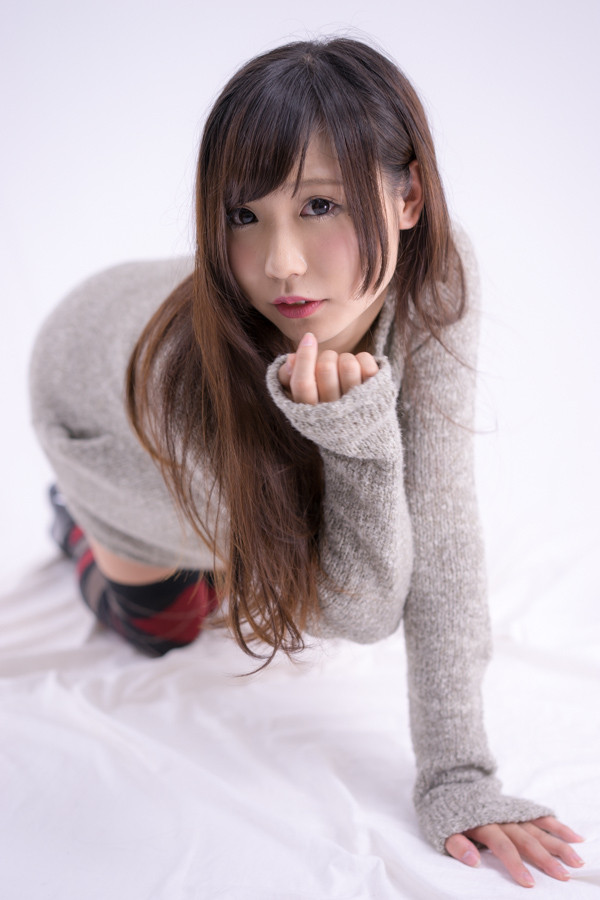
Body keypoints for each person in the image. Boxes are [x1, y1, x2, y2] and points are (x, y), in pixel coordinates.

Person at [30, 37, 584, 888]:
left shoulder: (438, 275)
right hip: (96, 405)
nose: (281, 265)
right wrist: (359, 440)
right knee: (168, 625)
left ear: (408, 197)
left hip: (167, 375)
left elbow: (440, 528)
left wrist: (459, 775)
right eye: (242, 216)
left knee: (304, 522)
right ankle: (76, 519)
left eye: (320, 205)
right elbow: (349, 610)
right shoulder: (187, 374)